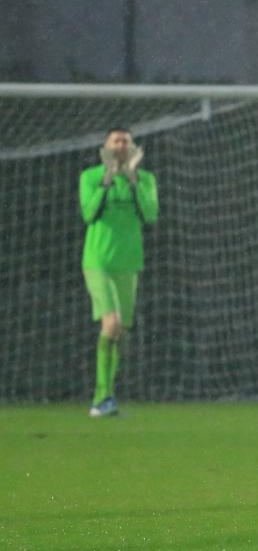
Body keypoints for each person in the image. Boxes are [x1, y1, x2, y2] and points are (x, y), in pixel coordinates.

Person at [79, 127, 158, 417]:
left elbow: (150, 215)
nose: (121, 145)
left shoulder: (145, 179)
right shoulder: (90, 177)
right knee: (111, 325)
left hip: (128, 264)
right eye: (116, 141)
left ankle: (107, 397)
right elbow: (89, 213)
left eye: (126, 141)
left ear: (133, 147)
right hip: (98, 262)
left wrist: (133, 179)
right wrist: (108, 179)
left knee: (120, 331)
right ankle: (101, 398)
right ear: (106, 147)